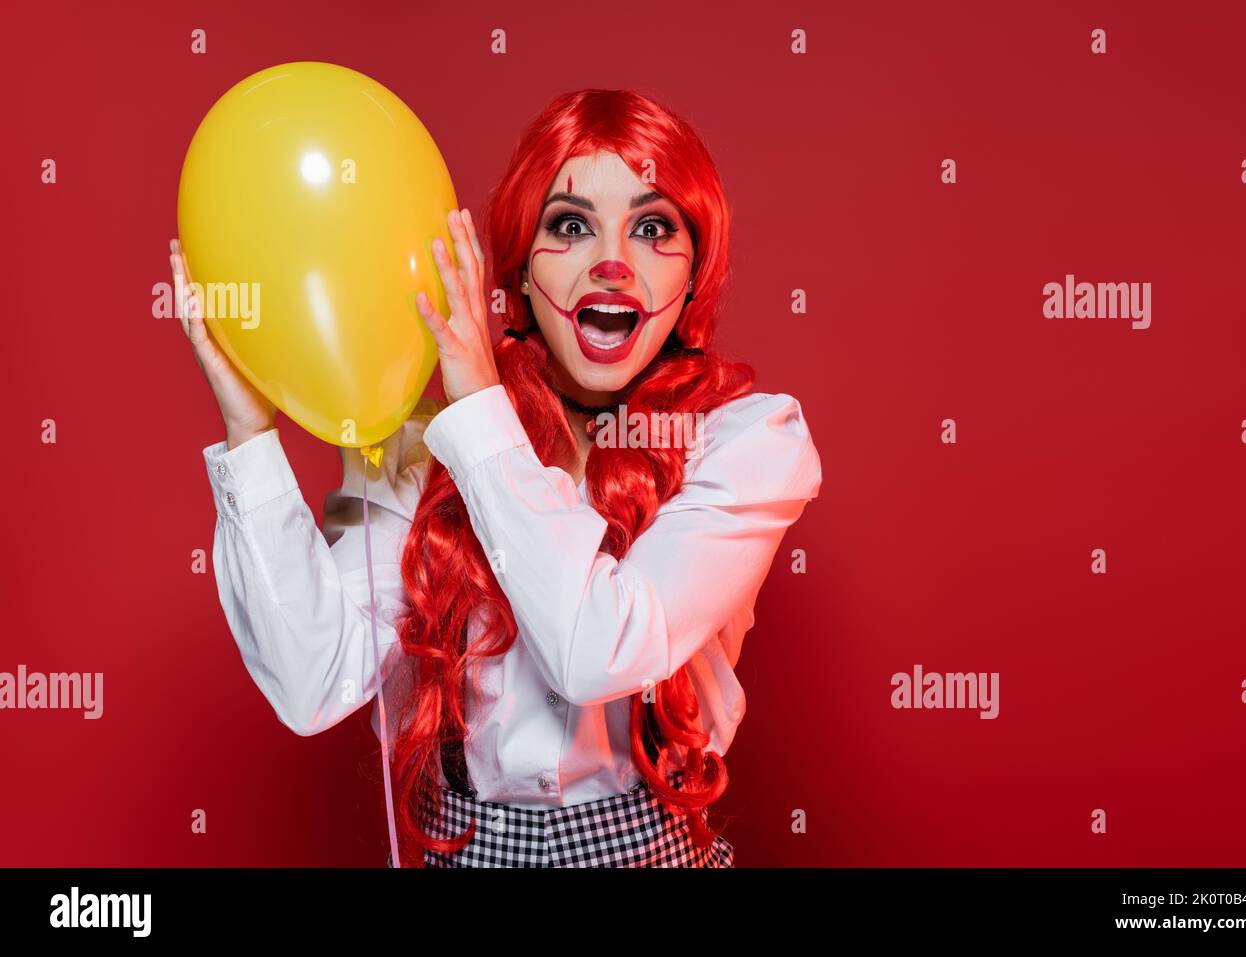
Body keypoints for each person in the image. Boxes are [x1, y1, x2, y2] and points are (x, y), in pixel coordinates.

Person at [172, 88, 823, 868]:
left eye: (652, 228)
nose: (611, 262)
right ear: (516, 264)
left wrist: (480, 415)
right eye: (571, 225)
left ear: (694, 274)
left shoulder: (751, 442)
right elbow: (315, 679)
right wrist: (250, 432)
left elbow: (597, 649)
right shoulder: (422, 445)